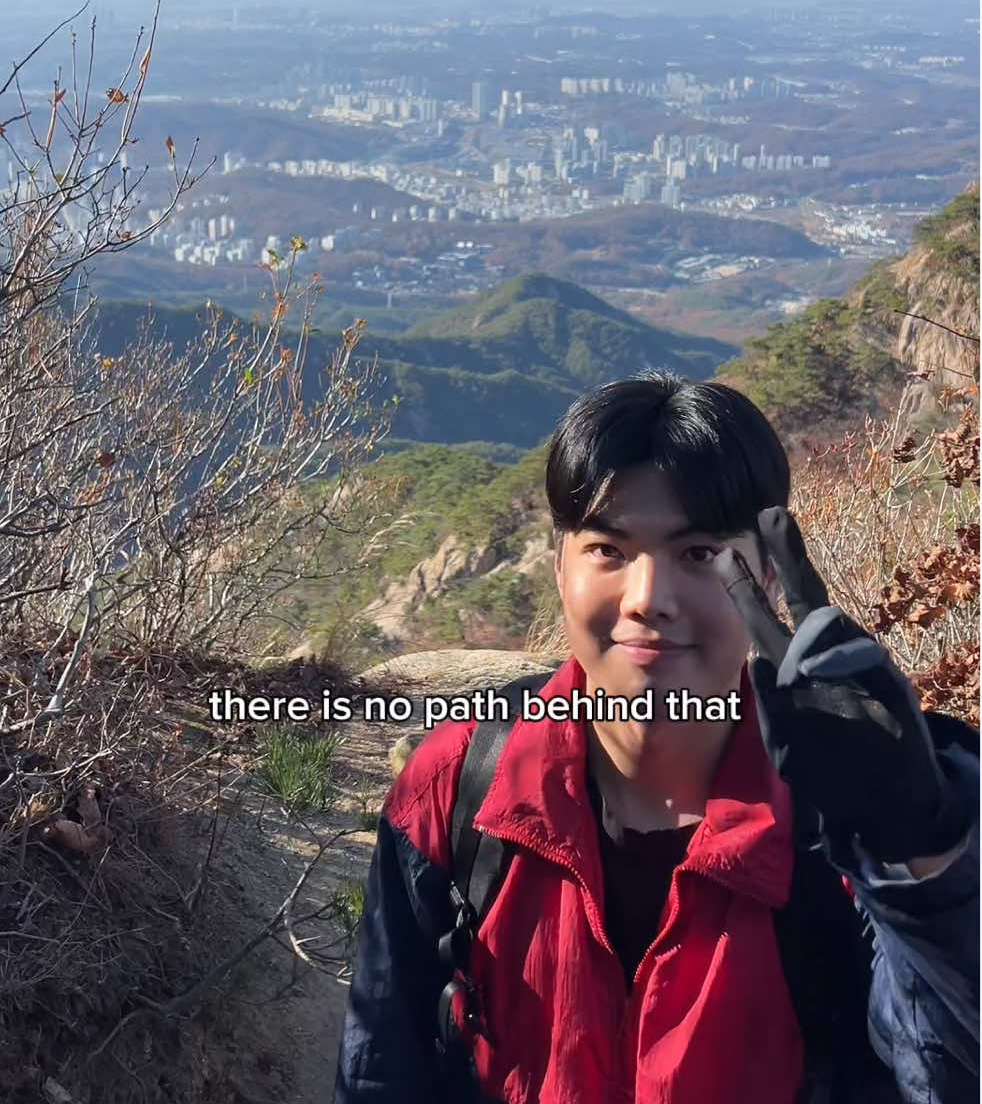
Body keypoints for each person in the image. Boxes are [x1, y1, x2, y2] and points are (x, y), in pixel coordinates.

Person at [333, 374, 979, 1104]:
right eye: (608, 549)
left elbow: (954, 1070)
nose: (647, 597)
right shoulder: (457, 787)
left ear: (767, 571)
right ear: (559, 565)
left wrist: (927, 855)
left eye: (699, 552)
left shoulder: (850, 817)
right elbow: (380, 1072)